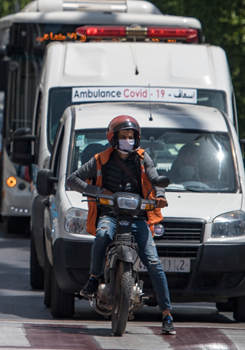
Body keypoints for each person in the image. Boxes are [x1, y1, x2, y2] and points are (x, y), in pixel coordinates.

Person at [66, 115, 175, 335]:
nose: (128, 140)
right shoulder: (99, 159)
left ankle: (167, 315)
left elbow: (155, 179)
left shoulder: (144, 158)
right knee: (102, 236)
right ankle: (94, 278)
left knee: (154, 263)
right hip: (110, 215)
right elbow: (72, 179)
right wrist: (98, 192)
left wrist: (161, 194)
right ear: (113, 139)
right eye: (123, 136)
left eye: (131, 136)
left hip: (138, 217)